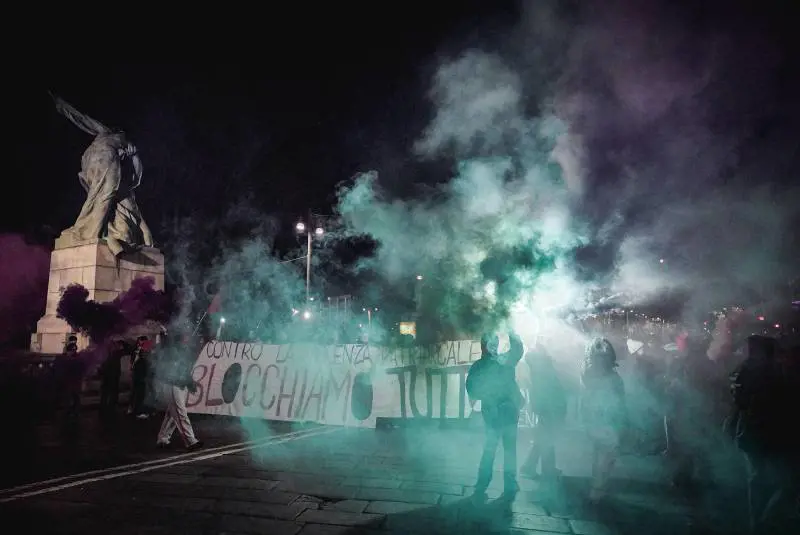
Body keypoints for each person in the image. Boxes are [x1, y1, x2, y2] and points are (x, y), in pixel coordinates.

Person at [466, 331, 525, 500]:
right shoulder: (481, 365)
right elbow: (471, 388)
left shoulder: (505, 360)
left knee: (508, 450)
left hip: (507, 413)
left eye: (495, 341)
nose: (492, 344)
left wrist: (511, 330)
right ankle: (483, 483)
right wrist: (488, 393)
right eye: (489, 341)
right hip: (493, 415)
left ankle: (508, 483)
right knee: (492, 448)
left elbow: (518, 350)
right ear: (483, 345)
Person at [581, 338, 627, 503]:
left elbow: (586, 398)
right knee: (607, 456)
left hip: (594, 419)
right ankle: (597, 490)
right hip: (609, 419)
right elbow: (620, 401)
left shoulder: (588, 373)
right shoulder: (613, 378)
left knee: (599, 453)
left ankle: (597, 486)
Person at [521, 343, 567, 484]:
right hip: (548, 408)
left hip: (545, 408)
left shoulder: (537, 367)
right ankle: (546, 470)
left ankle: (531, 468)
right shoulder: (542, 368)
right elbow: (548, 389)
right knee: (547, 439)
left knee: (543, 439)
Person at [154, 334, 203, 451]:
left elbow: (185, 369)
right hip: (173, 384)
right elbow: (179, 370)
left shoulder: (180, 350)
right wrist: (189, 382)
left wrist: (189, 382)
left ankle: (163, 438)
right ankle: (190, 441)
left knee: (172, 414)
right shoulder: (173, 351)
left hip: (178, 384)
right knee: (180, 414)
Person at [99, 339, 125, 419]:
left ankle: (105, 408)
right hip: (112, 375)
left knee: (106, 392)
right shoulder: (116, 353)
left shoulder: (107, 354)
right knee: (112, 392)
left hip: (109, 375)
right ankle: (110, 408)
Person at [129, 336, 152, 419]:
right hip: (138, 375)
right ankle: (136, 410)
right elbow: (134, 363)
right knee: (138, 393)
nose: (140, 344)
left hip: (143, 376)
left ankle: (142, 410)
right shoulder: (137, 352)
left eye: (141, 342)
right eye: (139, 342)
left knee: (142, 394)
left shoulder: (144, 351)